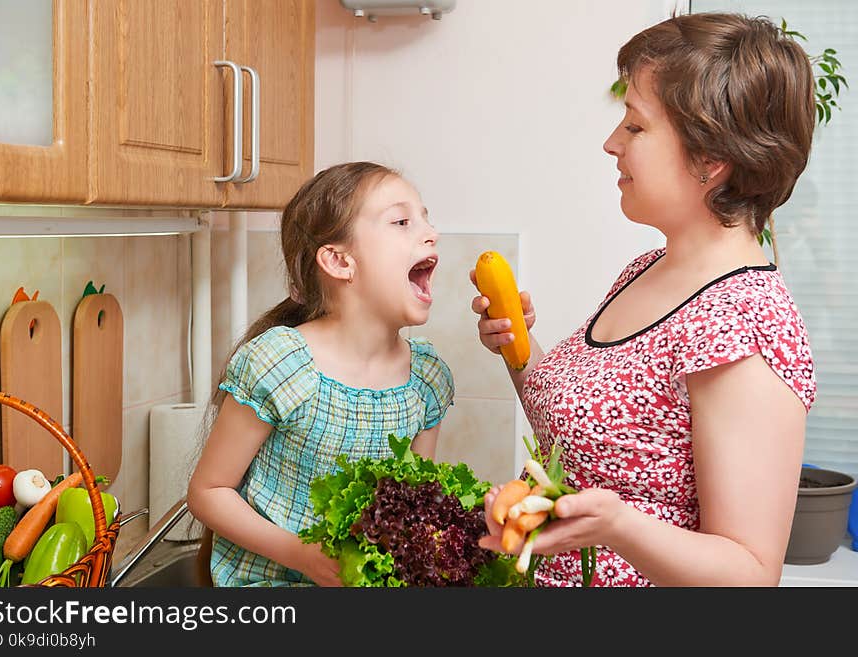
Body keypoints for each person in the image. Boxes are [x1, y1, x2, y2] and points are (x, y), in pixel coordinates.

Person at [472, 12, 817, 587]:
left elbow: (750, 576)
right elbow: (594, 445)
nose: (612, 143)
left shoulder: (744, 324)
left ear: (710, 159)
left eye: (634, 127)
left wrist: (619, 527)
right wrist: (518, 351)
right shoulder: (649, 270)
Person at [188, 161, 454, 587]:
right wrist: (301, 556)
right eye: (402, 221)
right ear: (339, 261)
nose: (430, 232)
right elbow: (208, 492)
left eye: (425, 217)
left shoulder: (426, 380)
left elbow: (411, 505)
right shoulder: (280, 363)